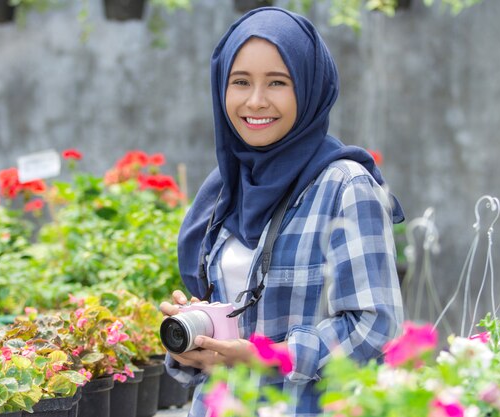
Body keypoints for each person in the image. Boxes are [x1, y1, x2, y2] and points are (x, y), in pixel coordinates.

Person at [160, 6, 405, 416]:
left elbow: (376, 326)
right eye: (240, 82)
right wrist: (196, 339)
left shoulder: (345, 185)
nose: (255, 101)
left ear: (309, 88)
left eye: (277, 82)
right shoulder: (224, 189)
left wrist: (269, 357)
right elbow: (234, 321)